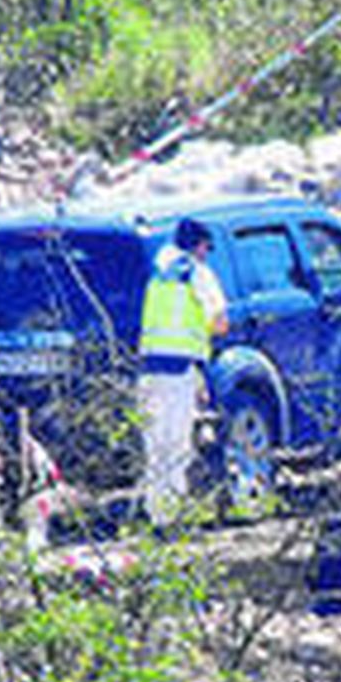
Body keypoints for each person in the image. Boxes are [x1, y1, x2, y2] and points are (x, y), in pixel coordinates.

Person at [137, 217, 228, 526]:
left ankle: (156, 513)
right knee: (177, 444)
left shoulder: (157, 273)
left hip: (148, 368)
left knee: (154, 447)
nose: (207, 253)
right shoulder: (196, 273)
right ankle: (173, 516)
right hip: (179, 368)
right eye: (206, 247)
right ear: (198, 245)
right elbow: (219, 321)